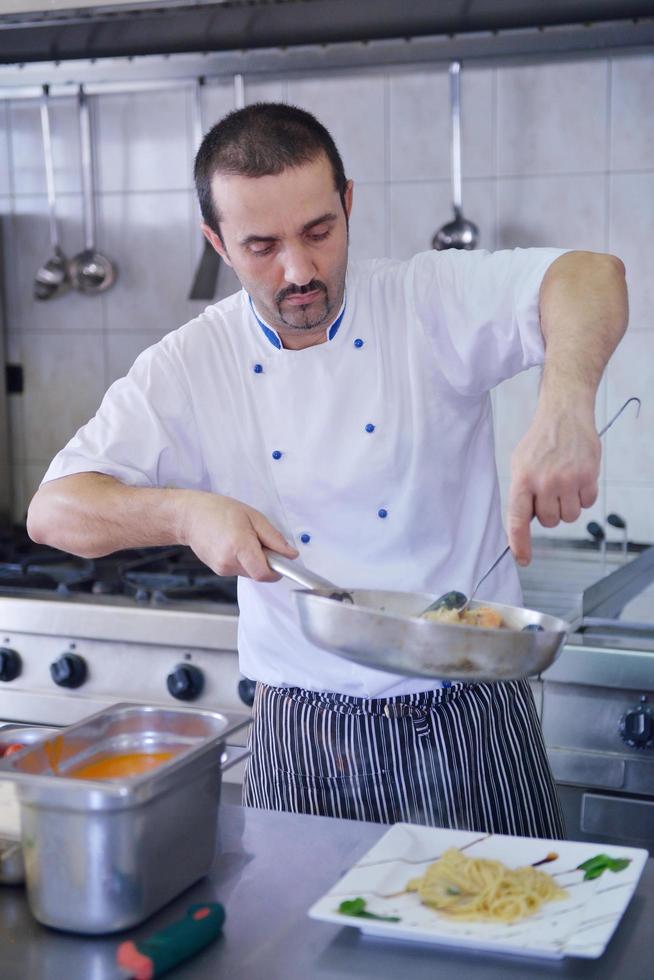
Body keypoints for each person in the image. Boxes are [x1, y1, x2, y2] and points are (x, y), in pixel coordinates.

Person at [27, 103, 628, 839]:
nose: (300, 270)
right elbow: (53, 512)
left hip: (471, 708)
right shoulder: (191, 363)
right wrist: (185, 513)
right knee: (299, 953)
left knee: (512, 941)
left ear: (348, 202)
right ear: (216, 241)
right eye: (261, 246)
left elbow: (590, 274)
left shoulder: (424, 300)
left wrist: (565, 402)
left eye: (319, 232)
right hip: (304, 729)